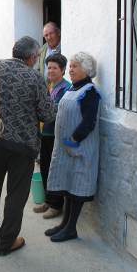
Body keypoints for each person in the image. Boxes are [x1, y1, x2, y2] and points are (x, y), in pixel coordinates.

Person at [0, 36, 56, 256]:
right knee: (16, 195)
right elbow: (47, 114)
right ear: (32, 57)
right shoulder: (35, 77)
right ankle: (7, 241)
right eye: (37, 57)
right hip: (23, 147)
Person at [46, 52, 101, 242]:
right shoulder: (73, 89)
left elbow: (89, 121)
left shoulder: (90, 92)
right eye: (70, 66)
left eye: (74, 66)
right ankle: (64, 224)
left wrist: (74, 139)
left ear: (86, 70)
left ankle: (71, 228)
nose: (70, 69)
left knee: (77, 188)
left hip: (79, 149)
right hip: (67, 150)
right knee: (68, 186)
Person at [33, 54, 71, 219]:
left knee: (54, 169)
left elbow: (58, 112)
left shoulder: (66, 88)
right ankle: (48, 201)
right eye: (49, 67)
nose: (51, 70)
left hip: (56, 135)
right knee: (44, 167)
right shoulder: (50, 85)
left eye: (55, 67)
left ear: (62, 70)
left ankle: (56, 205)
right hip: (45, 134)